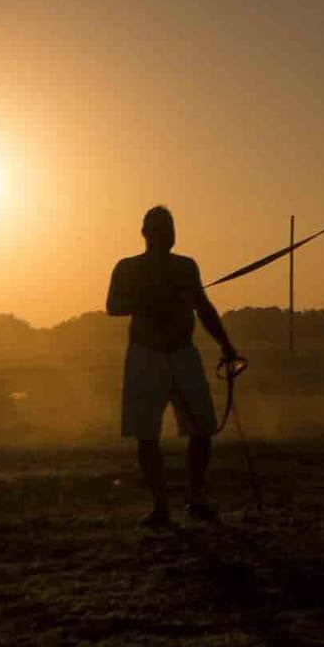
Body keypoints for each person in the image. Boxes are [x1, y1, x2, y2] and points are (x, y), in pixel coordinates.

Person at [106, 205, 241, 526]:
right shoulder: (128, 268)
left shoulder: (186, 267)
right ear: (145, 233)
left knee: (202, 429)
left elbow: (203, 308)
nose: (168, 233)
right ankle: (161, 506)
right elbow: (113, 306)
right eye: (161, 228)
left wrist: (226, 344)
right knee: (146, 434)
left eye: (171, 227)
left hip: (184, 354)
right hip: (145, 355)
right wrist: (149, 300)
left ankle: (195, 498)